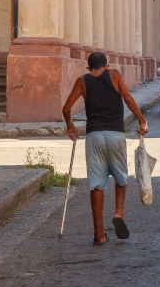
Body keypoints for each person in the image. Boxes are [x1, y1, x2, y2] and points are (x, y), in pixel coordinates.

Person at [62, 51, 149, 245]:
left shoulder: (82, 81)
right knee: (121, 178)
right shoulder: (115, 75)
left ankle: (99, 234)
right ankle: (119, 212)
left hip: (94, 136)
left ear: (88, 67)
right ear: (106, 66)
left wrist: (70, 126)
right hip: (115, 134)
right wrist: (141, 120)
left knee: (96, 184)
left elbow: (66, 108)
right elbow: (127, 98)